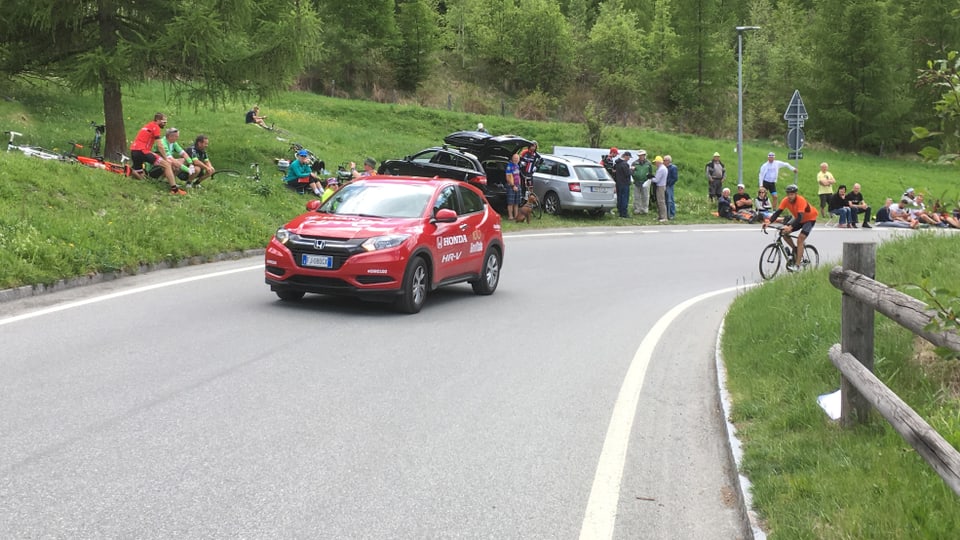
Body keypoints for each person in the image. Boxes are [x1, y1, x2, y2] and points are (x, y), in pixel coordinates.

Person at [763, 184, 818, 270]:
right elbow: (778, 212)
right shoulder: (785, 200)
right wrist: (768, 222)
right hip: (798, 219)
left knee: (800, 239)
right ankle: (795, 249)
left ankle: (797, 265)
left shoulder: (801, 200)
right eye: (788, 194)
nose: (790, 196)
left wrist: (791, 227)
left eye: (792, 194)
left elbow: (800, 217)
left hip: (809, 219)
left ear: (796, 194)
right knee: (783, 232)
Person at [129, 112, 185, 195]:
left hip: (134, 151)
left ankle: (131, 171)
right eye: (164, 122)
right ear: (158, 120)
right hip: (143, 151)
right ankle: (174, 189)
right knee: (166, 165)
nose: (165, 124)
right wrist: (166, 159)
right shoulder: (156, 127)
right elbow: (160, 145)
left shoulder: (148, 125)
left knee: (140, 175)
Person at [631, 150, 654, 214]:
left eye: (642, 155)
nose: (641, 156)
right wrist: (634, 177)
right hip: (636, 182)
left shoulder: (648, 163)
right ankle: (637, 209)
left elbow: (650, 172)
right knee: (636, 196)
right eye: (639, 155)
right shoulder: (634, 163)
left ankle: (645, 208)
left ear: (644, 155)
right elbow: (632, 172)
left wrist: (649, 180)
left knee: (645, 196)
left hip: (645, 182)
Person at [613, 151, 633, 218]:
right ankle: (624, 213)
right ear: (626, 156)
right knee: (625, 198)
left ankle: (619, 211)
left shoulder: (617, 163)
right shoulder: (625, 164)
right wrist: (632, 170)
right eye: (629, 157)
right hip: (624, 183)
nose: (629, 159)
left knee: (619, 198)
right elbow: (627, 174)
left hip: (618, 183)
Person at [504, 153, 522, 220]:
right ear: (512, 158)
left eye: (517, 158)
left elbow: (518, 175)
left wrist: (519, 184)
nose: (516, 159)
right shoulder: (509, 166)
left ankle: (516, 216)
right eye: (515, 158)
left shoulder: (517, 165)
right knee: (510, 202)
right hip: (511, 185)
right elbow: (508, 177)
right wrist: (513, 185)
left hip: (517, 185)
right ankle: (510, 216)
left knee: (516, 202)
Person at [652, 155, 668, 222]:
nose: (655, 164)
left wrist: (650, 178)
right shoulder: (663, 168)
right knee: (659, 201)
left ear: (658, 162)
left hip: (660, 186)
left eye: (656, 162)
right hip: (662, 185)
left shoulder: (661, 169)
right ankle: (660, 216)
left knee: (661, 202)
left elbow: (656, 179)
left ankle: (664, 217)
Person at [664, 155, 678, 219]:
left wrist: (669, 184)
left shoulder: (673, 167)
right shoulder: (664, 167)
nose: (664, 161)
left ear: (669, 161)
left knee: (670, 200)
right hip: (664, 185)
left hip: (669, 185)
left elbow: (675, 178)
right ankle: (667, 213)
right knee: (665, 200)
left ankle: (672, 214)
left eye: (665, 160)